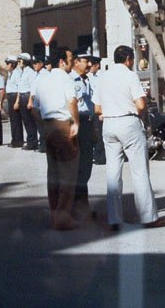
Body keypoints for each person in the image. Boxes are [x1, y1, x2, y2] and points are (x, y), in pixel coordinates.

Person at [92, 45, 165, 230]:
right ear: (128, 59)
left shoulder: (103, 77)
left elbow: (97, 109)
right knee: (139, 171)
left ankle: (114, 219)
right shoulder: (129, 75)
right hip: (128, 122)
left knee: (113, 172)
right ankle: (148, 217)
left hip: (109, 124)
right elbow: (141, 104)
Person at [34, 47, 80, 230]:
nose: (72, 62)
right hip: (63, 124)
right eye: (70, 59)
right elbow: (72, 101)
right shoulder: (65, 78)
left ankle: (55, 213)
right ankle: (63, 216)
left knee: (53, 173)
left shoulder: (42, 80)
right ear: (62, 61)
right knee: (68, 173)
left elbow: (34, 107)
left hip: (48, 125)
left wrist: (43, 127)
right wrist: (75, 123)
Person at [72, 47, 95, 220]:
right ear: (76, 62)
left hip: (88, 123)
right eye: (85, 61)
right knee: (76, 166)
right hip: (76, 123)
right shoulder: (69, 80)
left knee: (86, 165)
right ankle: (75, 205)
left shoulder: (87, 80)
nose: (89, 64)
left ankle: (82, 203)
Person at [15, 53, 39, 150]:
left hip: (27, 97)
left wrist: (30, 101)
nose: (18, 62)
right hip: (22, 97)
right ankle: (31, 141)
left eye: (20, 60)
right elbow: (19, 88)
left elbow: (32, 88)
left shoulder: (30, 72)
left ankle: (32, 143)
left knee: (30, 122)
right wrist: (17, 101)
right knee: (26, 121)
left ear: (25, 61)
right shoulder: (22, 72)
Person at [29, 55, 49, 153]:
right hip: (36, 102)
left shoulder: (45, 74)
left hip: (42, 103)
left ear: (41, 63)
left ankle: (44, 146)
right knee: (39, 126)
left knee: (43, 126)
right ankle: (42, 145)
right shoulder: (36, 74)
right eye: (33, 63)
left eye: (36, 63)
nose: (34, 65)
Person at [89, 56, 106, 165]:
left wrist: (102, 112)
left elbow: (104, 95)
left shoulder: (102, 77)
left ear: (97, 65)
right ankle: (96, 154)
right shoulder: (91, 77)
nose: (90, 68)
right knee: (95, 134)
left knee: (100, 134)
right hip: (93, 109)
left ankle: (101, 157)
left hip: (100, 109)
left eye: (91, 66)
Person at [4, 55, 24, 148]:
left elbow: (19, 88)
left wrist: (17, 101)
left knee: (16, 120)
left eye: (7, 64)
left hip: (15, 96)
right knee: (13, 120)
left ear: (12, 64)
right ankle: (14, 139)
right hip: (10, 97)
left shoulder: (17, 73)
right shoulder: (10, 73)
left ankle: (18, 141)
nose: (6, 66)